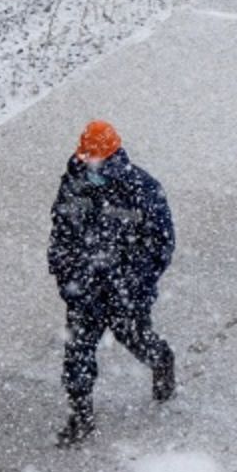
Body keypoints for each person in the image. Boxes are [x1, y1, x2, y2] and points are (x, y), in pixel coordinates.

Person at [48, 118, 176, 446]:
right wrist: (66, 274)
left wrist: (134, 284)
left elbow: (160, 245)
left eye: (92, 156)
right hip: (85, 289)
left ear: (109, 155)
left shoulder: (142, 189)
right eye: (84, 155)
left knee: (135, 338)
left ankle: (162, 362)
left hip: (125, 291)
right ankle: (81, 417)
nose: (85, 161)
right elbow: (61, 231)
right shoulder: (74, 182)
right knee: (77, 353)